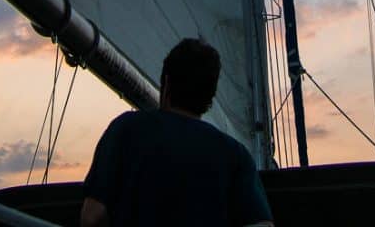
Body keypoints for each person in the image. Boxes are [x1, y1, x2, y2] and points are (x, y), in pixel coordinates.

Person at [80, 37, 274, 227]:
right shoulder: (235, 154)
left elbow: (92, 217)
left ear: (166, 82)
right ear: (211, 94)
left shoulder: (125, 130)